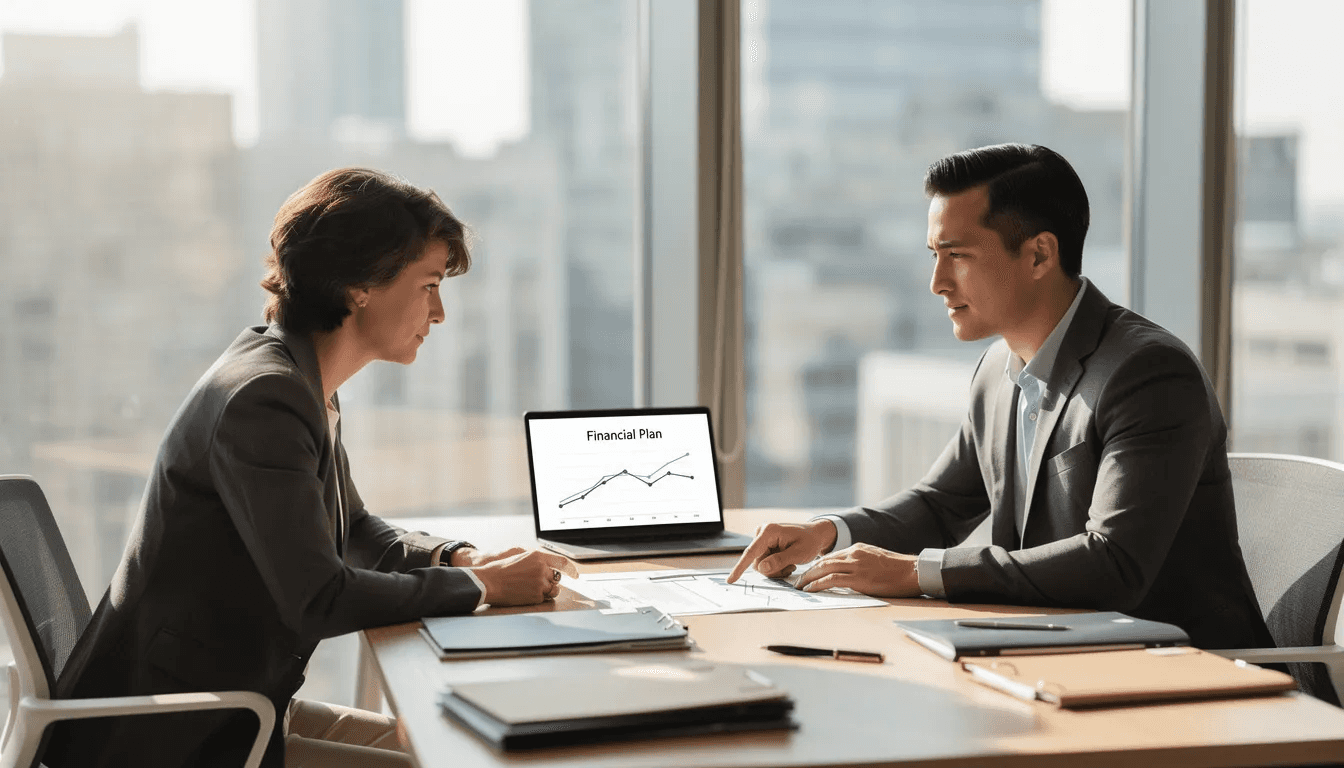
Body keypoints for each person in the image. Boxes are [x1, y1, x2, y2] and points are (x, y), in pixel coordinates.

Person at [46, 168, 578, 768]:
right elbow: (319, 599)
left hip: (235, 707)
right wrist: (485, 589)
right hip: (170, 736)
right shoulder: (264, 398)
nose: (440, 313)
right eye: (429, 285)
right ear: (360, 285)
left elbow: (354, 528)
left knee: (459, 746)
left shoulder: (298, 378)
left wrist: (458, 558)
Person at [728, 143, 1273, 651]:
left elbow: (1114, 564)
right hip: (1056, 650)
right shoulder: (997, 368)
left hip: (1187, 673)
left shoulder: (1148, 373)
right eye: (932, 255)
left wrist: (916, 573)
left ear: (1039, 255)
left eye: (956, 254)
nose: (938, 282)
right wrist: (829, 532)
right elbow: (941, 504)